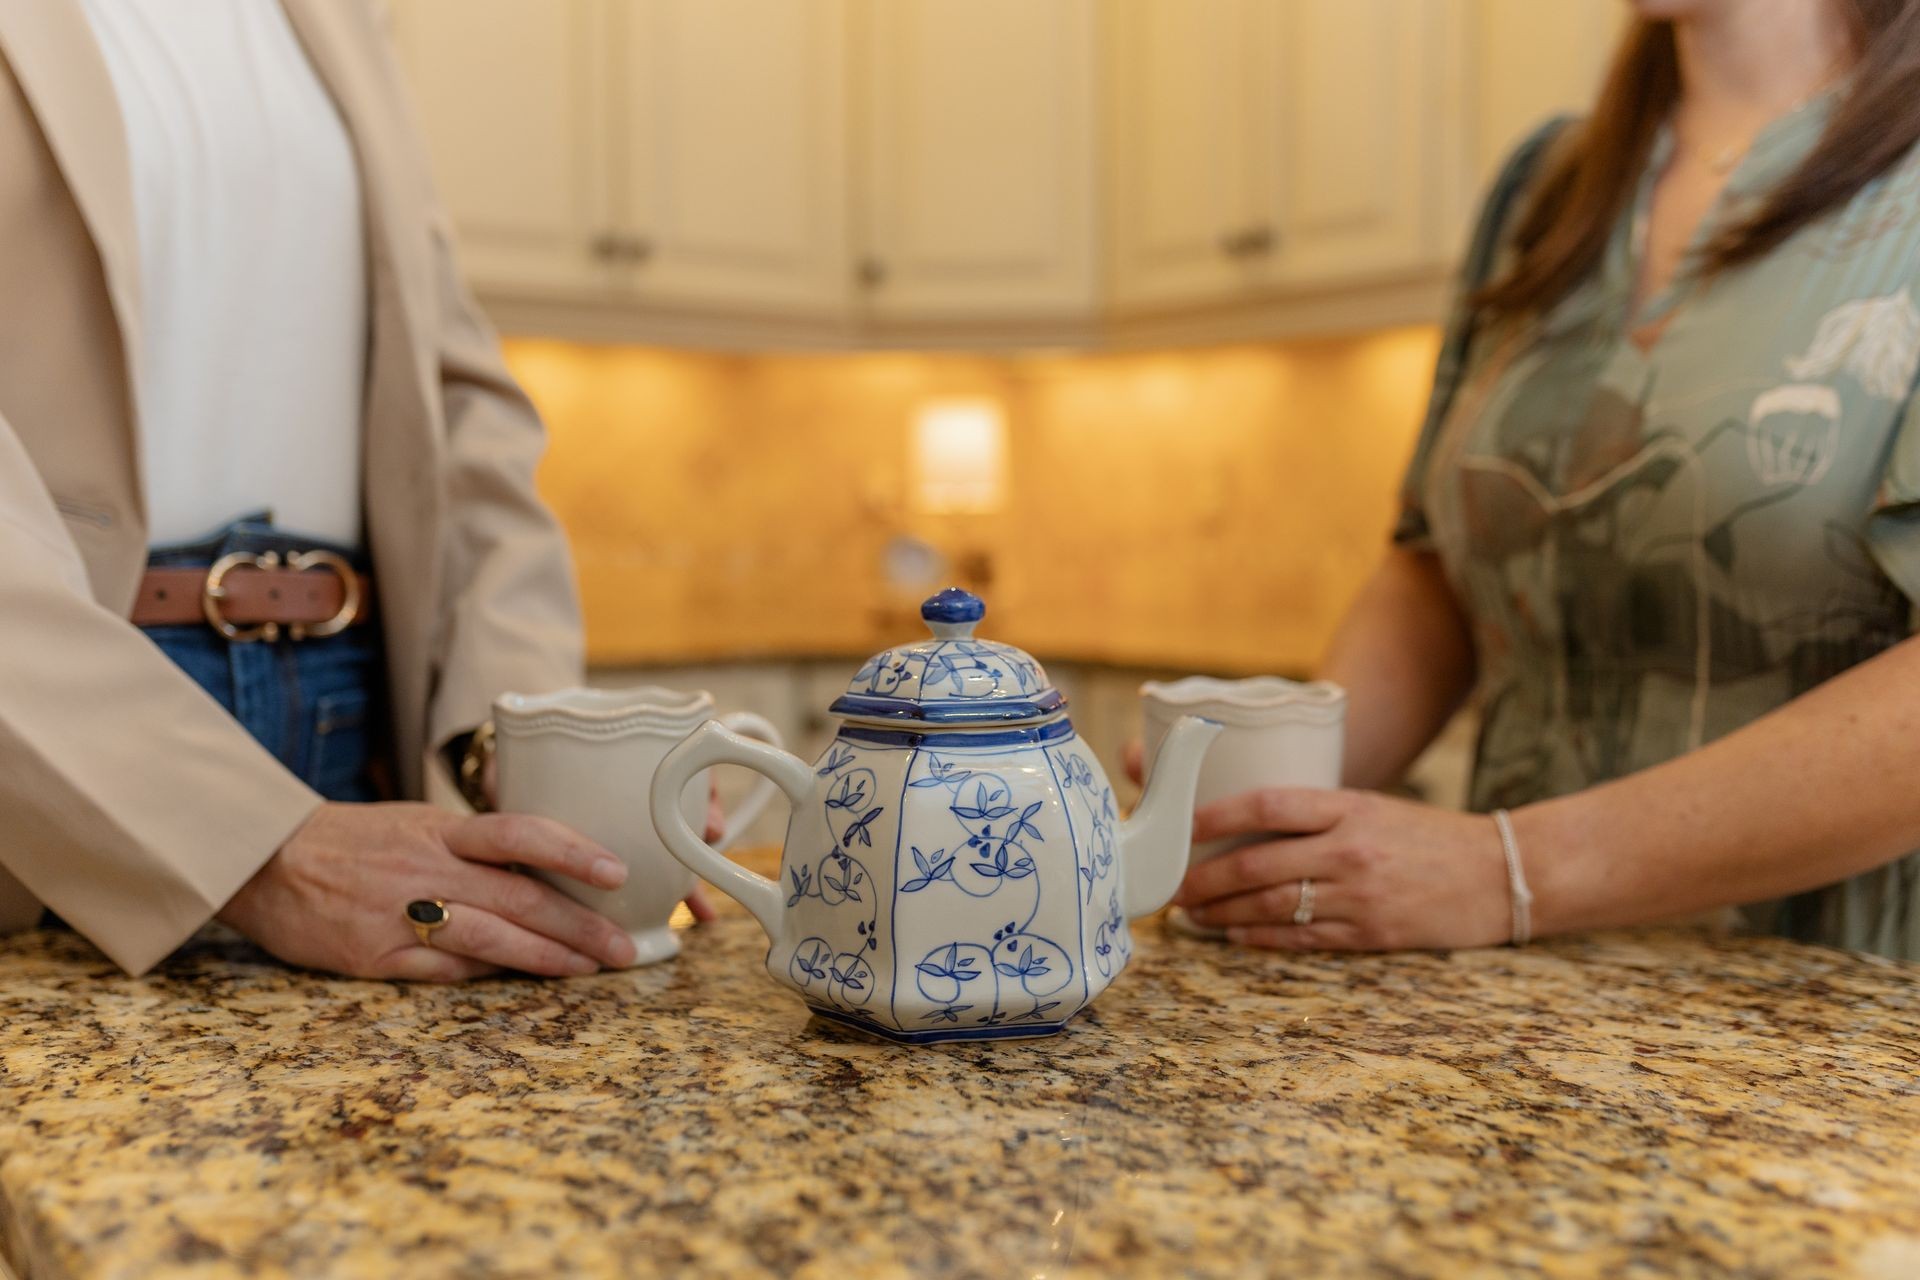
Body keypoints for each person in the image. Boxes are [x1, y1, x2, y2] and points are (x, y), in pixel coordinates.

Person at [1171, 0, 1920, 960]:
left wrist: (1508, 872)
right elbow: (1438, 569)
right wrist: (1269, 796)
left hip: (1827, 1016)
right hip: (1520, 997)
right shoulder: (1548, 188)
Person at [0, 0, 710, 981]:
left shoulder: (341, 17)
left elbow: (454, 395)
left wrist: (519, 744)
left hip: (359, 724)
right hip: (59, 752)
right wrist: (259, 848)